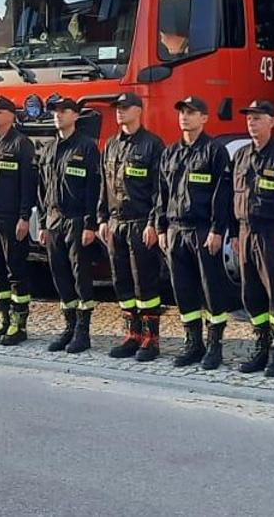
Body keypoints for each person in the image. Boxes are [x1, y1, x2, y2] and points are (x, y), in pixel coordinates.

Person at [154, 96, 236, 370]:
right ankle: (193, 343)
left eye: (191, 112)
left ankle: (215, 346)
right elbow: (162, 193)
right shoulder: (170, 152)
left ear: (204, 118)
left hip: (202, 230)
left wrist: (216, 230)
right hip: (176, 230)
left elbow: (222, 196)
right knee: (183, 289)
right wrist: (161, 226)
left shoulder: (214, 152)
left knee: (211, 288)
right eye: (182, 113)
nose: (185, 117)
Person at [230, 99, 274, 377]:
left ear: (272, 121)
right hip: (245, 232)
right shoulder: (241, 156)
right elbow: (230, 197)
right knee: (251, 295)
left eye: (258, 117)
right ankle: (260, 347)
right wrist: (233, 232)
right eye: (249, 117)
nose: (252, 122)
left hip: (272, 234)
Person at [98, 92, 167, 362]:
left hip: (140, 223)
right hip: (116, 223)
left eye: (125, 108)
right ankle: (132, 335)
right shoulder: (111, 145)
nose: (119, 112)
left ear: (139, 110)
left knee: (144, 281)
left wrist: (154, 223)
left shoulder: (152, 145)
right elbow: (104, 186)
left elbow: (159, 191)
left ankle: (151, 339)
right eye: (117, 108)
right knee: (122, 281)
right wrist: (102, 218)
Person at [0, 95, 39, 345]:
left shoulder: (22, 144)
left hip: (12, 219)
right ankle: (2, 320)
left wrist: (25, 217)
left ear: (12, 116)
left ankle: (19, 324)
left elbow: (28, 185)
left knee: (16, 271)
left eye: (0, 111)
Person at [39, 96, 102, 353]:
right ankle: (69, 326)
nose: (59, 115)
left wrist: (90, 224)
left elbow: (93, 188)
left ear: (75, 116)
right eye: (55, 111)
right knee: (60, 276)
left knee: (80, 277)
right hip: (54, 221)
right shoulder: (49, 148)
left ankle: (83, 332)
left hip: (77, 221)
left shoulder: (87, 147)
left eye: (64, 111)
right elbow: (42, 189)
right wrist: (43, 223)